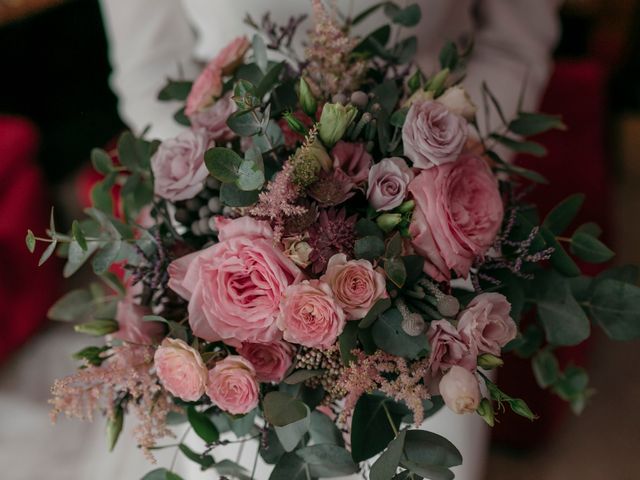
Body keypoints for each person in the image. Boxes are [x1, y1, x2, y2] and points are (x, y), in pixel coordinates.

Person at [97, 1, 561, 479]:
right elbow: (149, 70)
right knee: (251, 449)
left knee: (416, 433)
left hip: (444, 222)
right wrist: (228, 180)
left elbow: (514, 43)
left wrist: (443, 162)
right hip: (223, 199)